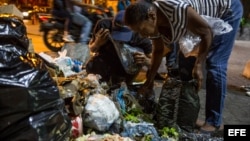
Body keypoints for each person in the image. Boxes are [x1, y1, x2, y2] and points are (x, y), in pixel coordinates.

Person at [124, 0, 243, 133]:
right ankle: (189, 116)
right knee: (185, 66)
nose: (142, 35)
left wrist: (198, 65)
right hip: (202, 21)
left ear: (151, 16)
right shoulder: (155, 25)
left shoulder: (175, 8)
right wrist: (149, 81)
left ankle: (213, 121)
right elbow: (158, 51)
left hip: (227, 9)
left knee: (215, 64)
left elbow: (206, 32)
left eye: (141, 29)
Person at [86, 10, 155, 113]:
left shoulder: (140, 35)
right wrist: (97, 43)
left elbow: (153, 64)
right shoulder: (103, 25)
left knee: (119, 94)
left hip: (125, 71)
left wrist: (145, 60)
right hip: (103, 66)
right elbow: (92, 49)